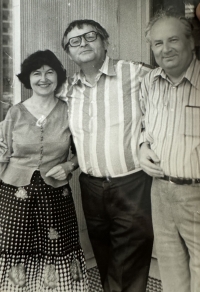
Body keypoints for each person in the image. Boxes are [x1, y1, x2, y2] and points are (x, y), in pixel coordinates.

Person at [57, 19, 154, 292]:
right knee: (104, 258)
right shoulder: (67, 90)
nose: (83, 43)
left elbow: (165, 106)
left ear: (105, 41)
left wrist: (146, 141)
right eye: (74, 41)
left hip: (131, 184)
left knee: (130, 264)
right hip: (90, 187)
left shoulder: (135, 73)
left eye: (90, 36)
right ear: (69, 52)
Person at [0, 50, 88, 292]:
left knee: (57, 247)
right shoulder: (15, 113)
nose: (43, 78)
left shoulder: (69, 111)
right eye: (36, 73)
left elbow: (84, 150)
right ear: (28, 78)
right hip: (15, 194)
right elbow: (2, 154)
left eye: (50, 72)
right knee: (16, 247)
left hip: (55, 195)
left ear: (58, 77)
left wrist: (70, 165)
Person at [139, 9, 200, 292]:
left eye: (173, 40)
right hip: (160, 191)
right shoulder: (150, 82)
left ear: (191, 42)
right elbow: (145, 128)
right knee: (170, 266)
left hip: (196, 193)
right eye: (157, 43)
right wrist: (142, 147)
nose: (165, 49)